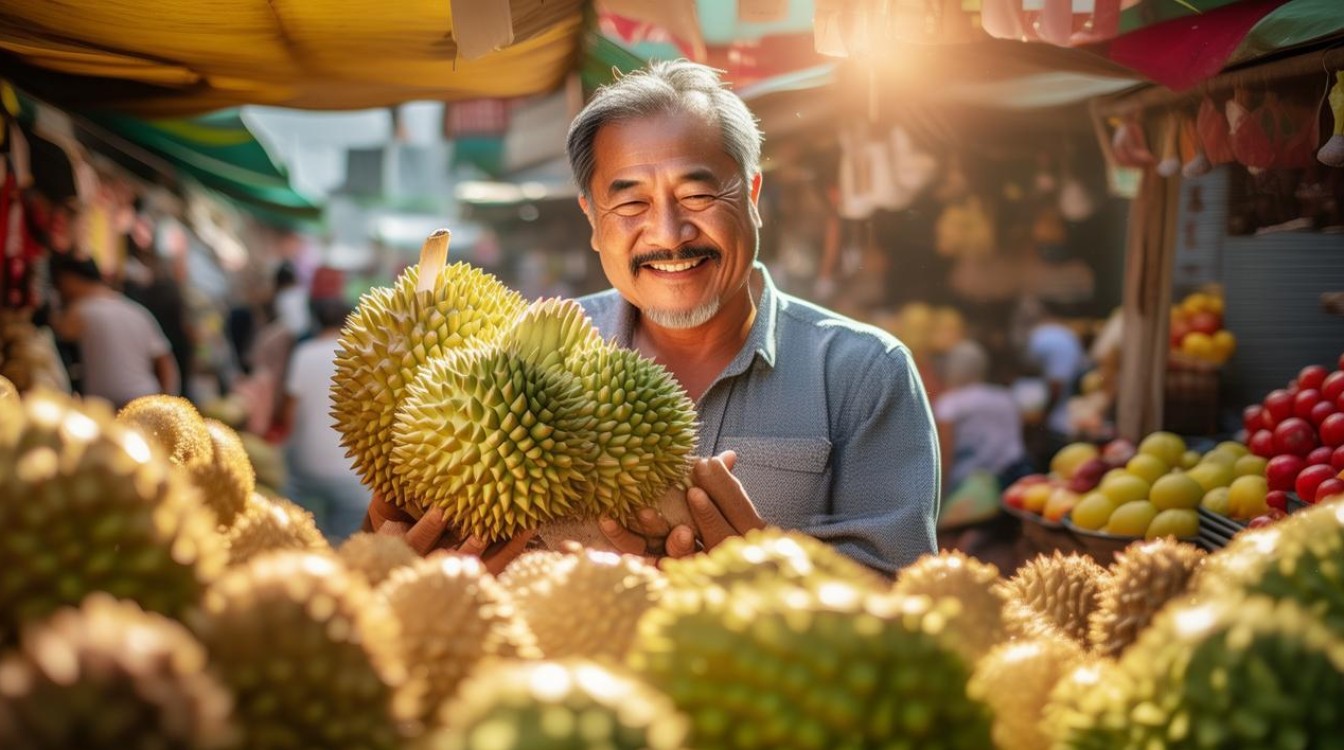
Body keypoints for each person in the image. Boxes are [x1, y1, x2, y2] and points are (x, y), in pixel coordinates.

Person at [368, 60, 940, 575]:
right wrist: (411, 555)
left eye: (698, 195)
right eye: (631, 202)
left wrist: (765, 570)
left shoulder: (864, 373)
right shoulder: (508, 366)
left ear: (753, 195)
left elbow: (907, 594)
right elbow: (426, 547)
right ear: (592, 219)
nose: (669, 234)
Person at [275, 297, 366, 543]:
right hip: (354, 471)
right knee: (349, 547)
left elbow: (288, 414)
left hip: (306, 467)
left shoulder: (304, 353)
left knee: (305, 540)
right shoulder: (363, 355)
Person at [47, 252, 179, 409]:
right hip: (146, 403)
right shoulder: (137, 311)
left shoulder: (77, 312)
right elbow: (167, 363)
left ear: (69, 280)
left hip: (107, 412)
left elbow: (49, 341)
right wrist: (166, 404)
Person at [934, 340, 1030, 492]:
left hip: (971, 486)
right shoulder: (1005, 397)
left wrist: (940, 490)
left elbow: (944, 453)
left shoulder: (949, 403)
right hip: (1014, 476)